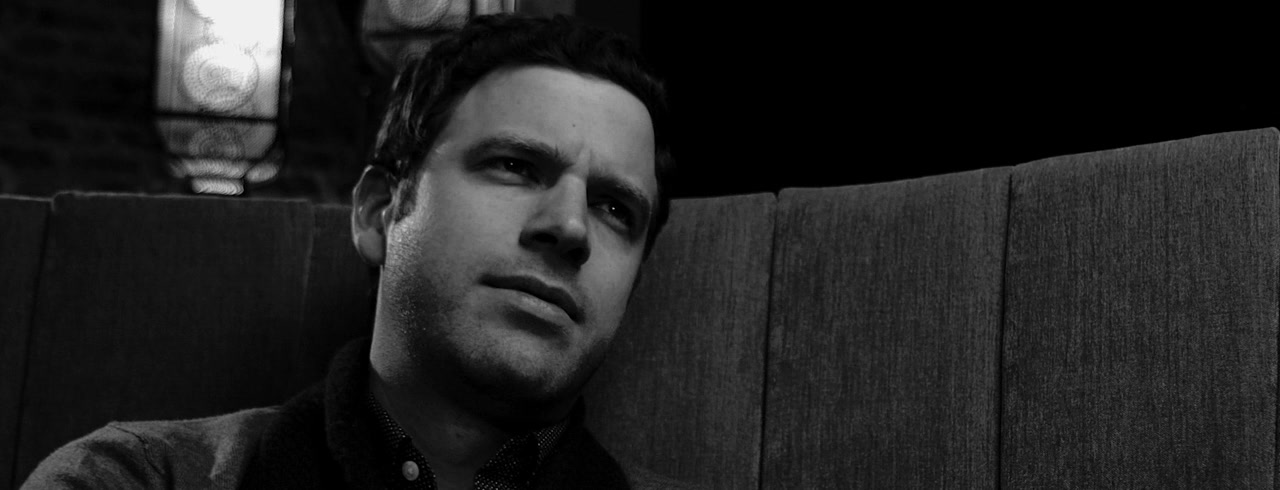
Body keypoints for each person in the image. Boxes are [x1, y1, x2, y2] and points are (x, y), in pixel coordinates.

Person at [23, 13, 694, 490]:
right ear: (380, 212)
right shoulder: (139, 476)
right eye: (515, 166)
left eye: (616, 208)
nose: (572, 227)